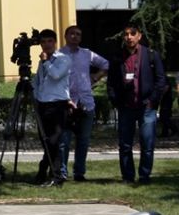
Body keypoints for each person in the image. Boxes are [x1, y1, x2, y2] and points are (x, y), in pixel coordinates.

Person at [107, 23, 167, 184]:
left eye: (133, 33)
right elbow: (111, 82)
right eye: (126, 34)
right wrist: (114, 99)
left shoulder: (151, 55)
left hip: (146, 107)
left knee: (147, 144)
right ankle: (127, 176)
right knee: (125, 145)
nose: (129, 37)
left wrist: (153, 100)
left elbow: (161, 80)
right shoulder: (117, 57)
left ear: (139, 36)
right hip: (126, 107)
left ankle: (144, 176)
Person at [58, 24, 109, 182]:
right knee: (64, 141)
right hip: (66, 103)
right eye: (72, 34)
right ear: (66, 36)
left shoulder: (87, 54)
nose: (75, 36)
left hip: (86, 102)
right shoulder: (59, 54)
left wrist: (96, 76)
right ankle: (62, 172)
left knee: (83, 141)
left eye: (78, 34)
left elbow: (106, 64)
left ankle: (79, 173)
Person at [32, 29, 71, 187]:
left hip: (57, 103)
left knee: (54, 140)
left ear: (55, 42)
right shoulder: (42, 62)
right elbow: (38, 82)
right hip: (43, 103)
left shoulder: (63, 59)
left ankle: (54, 173)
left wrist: (46, 61)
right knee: (45, 140)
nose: (46, 45)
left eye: (49, 41)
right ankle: (47, 172)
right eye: (43, 42)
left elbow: (56, 75)